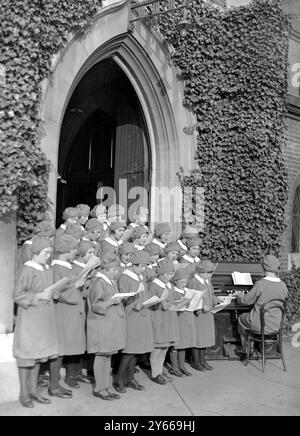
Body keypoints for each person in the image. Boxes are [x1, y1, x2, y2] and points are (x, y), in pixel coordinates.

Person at [13, 236, 58, 408]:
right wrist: (38, 296)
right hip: (30, 320)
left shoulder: (45, 268)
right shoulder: (27, 270)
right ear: (36, 252)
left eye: (50, 253)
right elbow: (17, 295)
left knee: (38, 357)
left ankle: (33, 391)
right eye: (46, 253)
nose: (48, 256)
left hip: (43, 319)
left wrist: (54, 293)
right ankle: (24, 394)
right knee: (26, 358)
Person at [49, 234, 86, 397]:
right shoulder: (59, 267)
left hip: (68, 312)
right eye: (73, 250)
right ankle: (54, 385)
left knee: (63, 348)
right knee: (60, 349)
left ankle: (55, 383)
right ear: (66, 251)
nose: (75, 253)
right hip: (63, 312)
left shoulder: (65, 266)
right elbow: (60, 291)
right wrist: (76, 286)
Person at [87, 255, 126, 400]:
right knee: (101, 355)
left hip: (109, 325)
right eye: (114, 269)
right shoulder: (99, 283)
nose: (116, 272)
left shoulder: (109, 281)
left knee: (108, 356)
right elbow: (96, 305)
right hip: (101, 325)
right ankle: (99, 387)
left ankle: (106, 385)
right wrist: (111, 302)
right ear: (105, 269)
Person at [114, 251, 154, 393]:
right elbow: (123, 298)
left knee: (137, 351)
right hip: (131, 317)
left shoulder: (140, 276)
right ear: (133, 265)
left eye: (145, 266)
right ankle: (119, 379)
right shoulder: (125, 277)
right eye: (142, 266)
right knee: (129, 351)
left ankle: (130, 379)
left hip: (142, 315)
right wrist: (133, 305)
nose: (143, 269)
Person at [237, 255, 288, 357]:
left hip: (260, 324)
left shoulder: (260, 284)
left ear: (264, 267)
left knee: (241, 318)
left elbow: (246, 301)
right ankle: (267, 347)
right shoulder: (283, 285)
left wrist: (240, 295)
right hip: (276, 324)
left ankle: (246, 349)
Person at [148, 259, 179, 384]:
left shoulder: (170, 285)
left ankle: (160, 371)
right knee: (157, 348)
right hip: (158, 319)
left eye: (172, 274)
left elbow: (173, 298)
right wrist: (161, 305)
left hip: (169, 319)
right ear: (160, 273)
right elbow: (150, 303)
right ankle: (155, 373)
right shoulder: (154, 285)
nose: (170, 277)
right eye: (168, 274)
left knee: (164, 348)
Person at [188, 260, 219, 371]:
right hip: (199, 314)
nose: (208, 275)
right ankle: (196, 361)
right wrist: (200, 307)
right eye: (206, 273)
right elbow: (191, 298)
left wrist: (217, 301)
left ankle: (202, 360)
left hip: (208, 313)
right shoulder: (193, 281)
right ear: (200, 272)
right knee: (198, 338)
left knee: (205, 338)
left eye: (210, 273)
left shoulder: (207, 281)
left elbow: (211, 293)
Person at [170, 267, 197, 377]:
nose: (184, 284)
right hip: (178, 319)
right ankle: (174, 367)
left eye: (186, 282)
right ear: (175, 281)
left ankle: (182, 366)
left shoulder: (187, 291)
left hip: (187, 318)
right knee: (176, 344)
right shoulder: (173, 291)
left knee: (184, 343)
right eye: (181, 282)